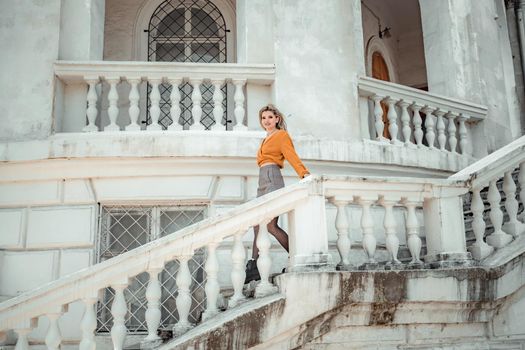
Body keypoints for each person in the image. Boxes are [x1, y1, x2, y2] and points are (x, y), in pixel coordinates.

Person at [245, 104, 310, 284]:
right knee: (257, 224)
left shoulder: (281, 136)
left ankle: (297, 257)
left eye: (270, 117)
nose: (267, 121)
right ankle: (253, 266)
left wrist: (304, 174)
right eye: (263, 118)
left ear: (277, 119)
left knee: (271, 225)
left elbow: (291, 156)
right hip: (262, 180)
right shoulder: (266, 138)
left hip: (273, 177)